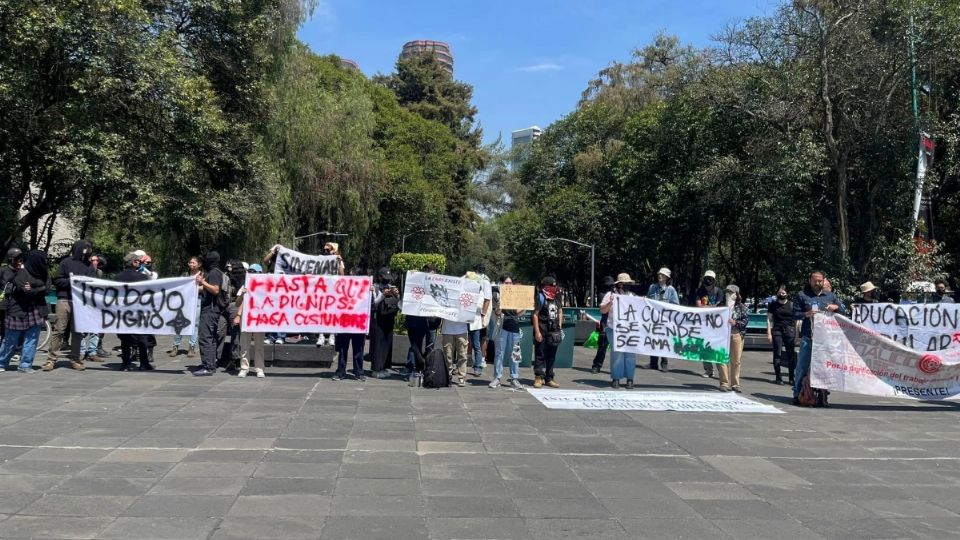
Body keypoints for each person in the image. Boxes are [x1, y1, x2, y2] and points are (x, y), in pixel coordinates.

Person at [43, 239, 96, 372]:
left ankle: (75, 358)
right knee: (59, 330)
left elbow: (92, 283)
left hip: (80, 302)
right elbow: (58, 280)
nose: (87, 252)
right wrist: (71, 281)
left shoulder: (89, 266)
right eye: (85, 249)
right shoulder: (66, 263)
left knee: (77, 331)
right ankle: (51, 359)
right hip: (64, 300)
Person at [792, 270, 841, 405]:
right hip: (809, 337)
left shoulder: (830, 296)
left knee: (824, 369)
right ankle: (797, 393)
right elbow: (794, 314)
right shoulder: (802, 296)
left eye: (820, 281)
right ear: (810, 281)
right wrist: (806, 314)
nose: (817, 283)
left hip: (825, 340)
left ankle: (823, 397)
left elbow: (843, 309)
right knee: (802, 366)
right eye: (815, 281)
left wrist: (836, 307)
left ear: (823, 281)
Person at [0, 250, 50, 372]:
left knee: (32, 338)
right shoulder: (21, 273)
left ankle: (25, 364)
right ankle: (2, 362)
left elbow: (47, 288)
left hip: (37, 310)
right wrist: (39, 288)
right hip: (18, 310)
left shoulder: (44, 273)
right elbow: (24, 290)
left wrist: (34, 288)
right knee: (11, 339)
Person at [113, 253, 153, 371]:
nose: (140, 263)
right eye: (138, 261)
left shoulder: (117, 277)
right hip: (138, 310)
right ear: (134, 262)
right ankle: (144, 363)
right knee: (142, 337)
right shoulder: (142, 277)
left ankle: (126, 363)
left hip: (123, 311)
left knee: (125, 338)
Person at [600, 273, 637, 389]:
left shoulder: (632, 296)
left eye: (628, 283)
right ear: (619, 284)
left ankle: (630, 379)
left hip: (630, 331)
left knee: (630, 355)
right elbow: (602, 310)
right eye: (625, 283)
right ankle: (616, 378)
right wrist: (610, 302)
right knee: (617, 354)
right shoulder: (610, 295)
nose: (627, 285)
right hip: (614, 329)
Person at [404, 264, 439, 381]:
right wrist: (413, 275)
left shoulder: (439, 284)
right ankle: (413, 367)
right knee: (416, 346)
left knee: (430, 346)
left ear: (435, 272)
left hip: (432, 321)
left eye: (430, 271)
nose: (428, 272)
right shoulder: (418, 282)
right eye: (426, 270)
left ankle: (426, 368)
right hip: (418, 320)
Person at [490, 275, 525, 390]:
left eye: (510, 283)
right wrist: (501, 303)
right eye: (506, 283)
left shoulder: (517, 296)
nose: (508, 285)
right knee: (499, 353)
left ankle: (514, 378)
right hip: (503, 327)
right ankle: (497, 377)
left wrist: (525, 306)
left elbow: (519, 313)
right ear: (502, 284)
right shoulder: (498, 295)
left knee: (515, 354)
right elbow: (497, 312)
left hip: (514, 328)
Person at [193, 251, 225, 376]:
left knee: (205, 337)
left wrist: (203, 282)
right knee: (209, 338)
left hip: (211, 310)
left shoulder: (214, 272)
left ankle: (208, 366)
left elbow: (215, 290)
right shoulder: (215, 272)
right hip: (210, 309)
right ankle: (210, 363)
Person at [334, 267, 368, 382]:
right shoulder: (343, 287)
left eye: (353, 275)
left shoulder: (366, 288)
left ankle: (359, 372)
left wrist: (371, 291)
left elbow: (371, 305)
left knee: (358, 349)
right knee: (343, 349)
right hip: (345, 323)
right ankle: (341, 371)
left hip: (358, 323)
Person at [234, 264, 265, 378]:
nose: (252, 274)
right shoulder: (244, 286)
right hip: (246, 319)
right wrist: (242, 294)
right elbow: (238, 303)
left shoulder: (265, 286)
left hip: (260, 319)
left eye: (254, 272)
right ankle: (244, 368)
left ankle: (259, 368)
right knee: (245, 345)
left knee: (259, 345)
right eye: (250, 271)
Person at [533, 276, 563, 389]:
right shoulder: (540, 297)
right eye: (552, 285)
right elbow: (535, 315)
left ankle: (549, 378)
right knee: (540, 354)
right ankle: (538, 377)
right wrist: (537, 332)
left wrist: (560, 326)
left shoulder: (557, 297)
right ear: (546, 286)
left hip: (554, 331)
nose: (554, 288)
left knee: (552, 356)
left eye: (555, 286)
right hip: (542, 329)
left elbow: (560, 311)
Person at [647, 267, 679, 372]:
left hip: (665, 320)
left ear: (666, 278)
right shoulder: (652, 287)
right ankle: (653, 362)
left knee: (664, 341)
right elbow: (647, 301)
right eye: (659, 274)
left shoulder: (671, 290)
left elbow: (676, 305)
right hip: (653, 319)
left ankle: (664, 362)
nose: (660, 276)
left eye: (662, 275)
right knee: (653, 339)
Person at [170, 256, 203, 358]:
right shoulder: (184, 275)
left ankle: (191, 347)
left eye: (194, 263)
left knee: (195, 324)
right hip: (184, 302)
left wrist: (192, 289)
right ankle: (175, 346)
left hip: (197, 301)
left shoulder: (202, 274)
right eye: (190, 262)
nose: (191, 264)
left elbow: (203, 287)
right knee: (179, 323)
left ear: (199, 264)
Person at [369, 267, 399, 379]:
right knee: (377, 344)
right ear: (380, 277)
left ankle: (385, 366)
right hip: (378, 320)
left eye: (388, 278)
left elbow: (398, 303)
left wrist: (396, 295)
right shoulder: (375, 288)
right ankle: (376, 369)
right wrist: (383, 295)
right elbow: (373, 303)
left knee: (387, 343)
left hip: (389, 318)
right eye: (385, 278)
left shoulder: (391, 287)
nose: (387, 281)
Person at [694, 270, 723, 378]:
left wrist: (706, 307)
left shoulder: (719, 291)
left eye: (710, 279)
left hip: (717, 325)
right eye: (706, 278)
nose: (708, 280)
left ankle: (721, 371)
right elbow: (699, 306)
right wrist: (712, 307)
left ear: (714, 280)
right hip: (704, 324)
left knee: (717, 347)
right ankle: (708, 370)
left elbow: (719, 307)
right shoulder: (699, 291)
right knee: (704, 346)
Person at [718, 285, 748, 392]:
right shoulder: (720, 306)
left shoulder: (741, 307)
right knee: (722, 358)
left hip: (736, 334)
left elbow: (745, 322)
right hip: (722, 335)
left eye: (731, 293)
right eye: (727, 292)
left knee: (736, 360)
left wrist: (735, 323)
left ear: (736, 294)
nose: (728, 295)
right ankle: (724, 383)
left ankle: (735, 384)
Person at [766, 284, 797, 386]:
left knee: (791, 355)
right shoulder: (773, 305)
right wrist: (769, 333)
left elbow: (796, 321)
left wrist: (796, 335)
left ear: (787, 294)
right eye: (779, 293)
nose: (781, 294)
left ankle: (791, 378)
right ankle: (778, 378)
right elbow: (769, 319)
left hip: (789, 331)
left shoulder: (792, 305)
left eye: (783, 292)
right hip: (777, 331)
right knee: (777, 354)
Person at [317, 242, 346, 347]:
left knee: (333, 313)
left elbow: (342, 275)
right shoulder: (320, 259)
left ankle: (332, 336)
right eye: (326, 249)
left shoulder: (338, 260)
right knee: (321, 313)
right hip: (322, 289)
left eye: (330, 249)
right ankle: (321, 336)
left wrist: (338, 262)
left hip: (333, 291)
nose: (328, 251)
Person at [467, 264, 493, 377]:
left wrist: (483, 314)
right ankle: (464, 364)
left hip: (477, 316)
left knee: (477, 342)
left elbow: (487, 299)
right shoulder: (468, 278)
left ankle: (478, 366)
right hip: (466, 315)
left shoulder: (485, 282)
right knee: (466, 341)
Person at [591, 276, 616, 374]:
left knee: (616, 348)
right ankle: (596, 365)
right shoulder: (602, 294)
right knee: (602, 345)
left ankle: (616, 368)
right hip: (605, 322)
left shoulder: (615, 294)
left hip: (615, 322)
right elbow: (604, 308)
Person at [1, 247, 24, 342]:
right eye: (18, 258)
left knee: (8, 328)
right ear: (11, 259)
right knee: (2, 326)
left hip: (15, 304)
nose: (20, 260)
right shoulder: (3, 270)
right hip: (3, 302)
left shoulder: (21, 271)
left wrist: (22, 271)